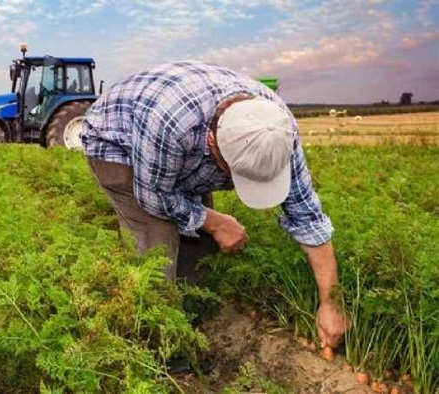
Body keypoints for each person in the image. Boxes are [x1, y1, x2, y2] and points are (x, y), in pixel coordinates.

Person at [81, 61, 346, 350]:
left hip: (177, 149)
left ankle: (187, 321)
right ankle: (158, 345)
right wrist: (216, 221)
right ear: (212, 143)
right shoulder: (172, 124)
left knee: (201, 242)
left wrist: (330, 303)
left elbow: (308, 218)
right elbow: (153, 197)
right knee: (157, 248)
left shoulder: (277, 130)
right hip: (119, 143)